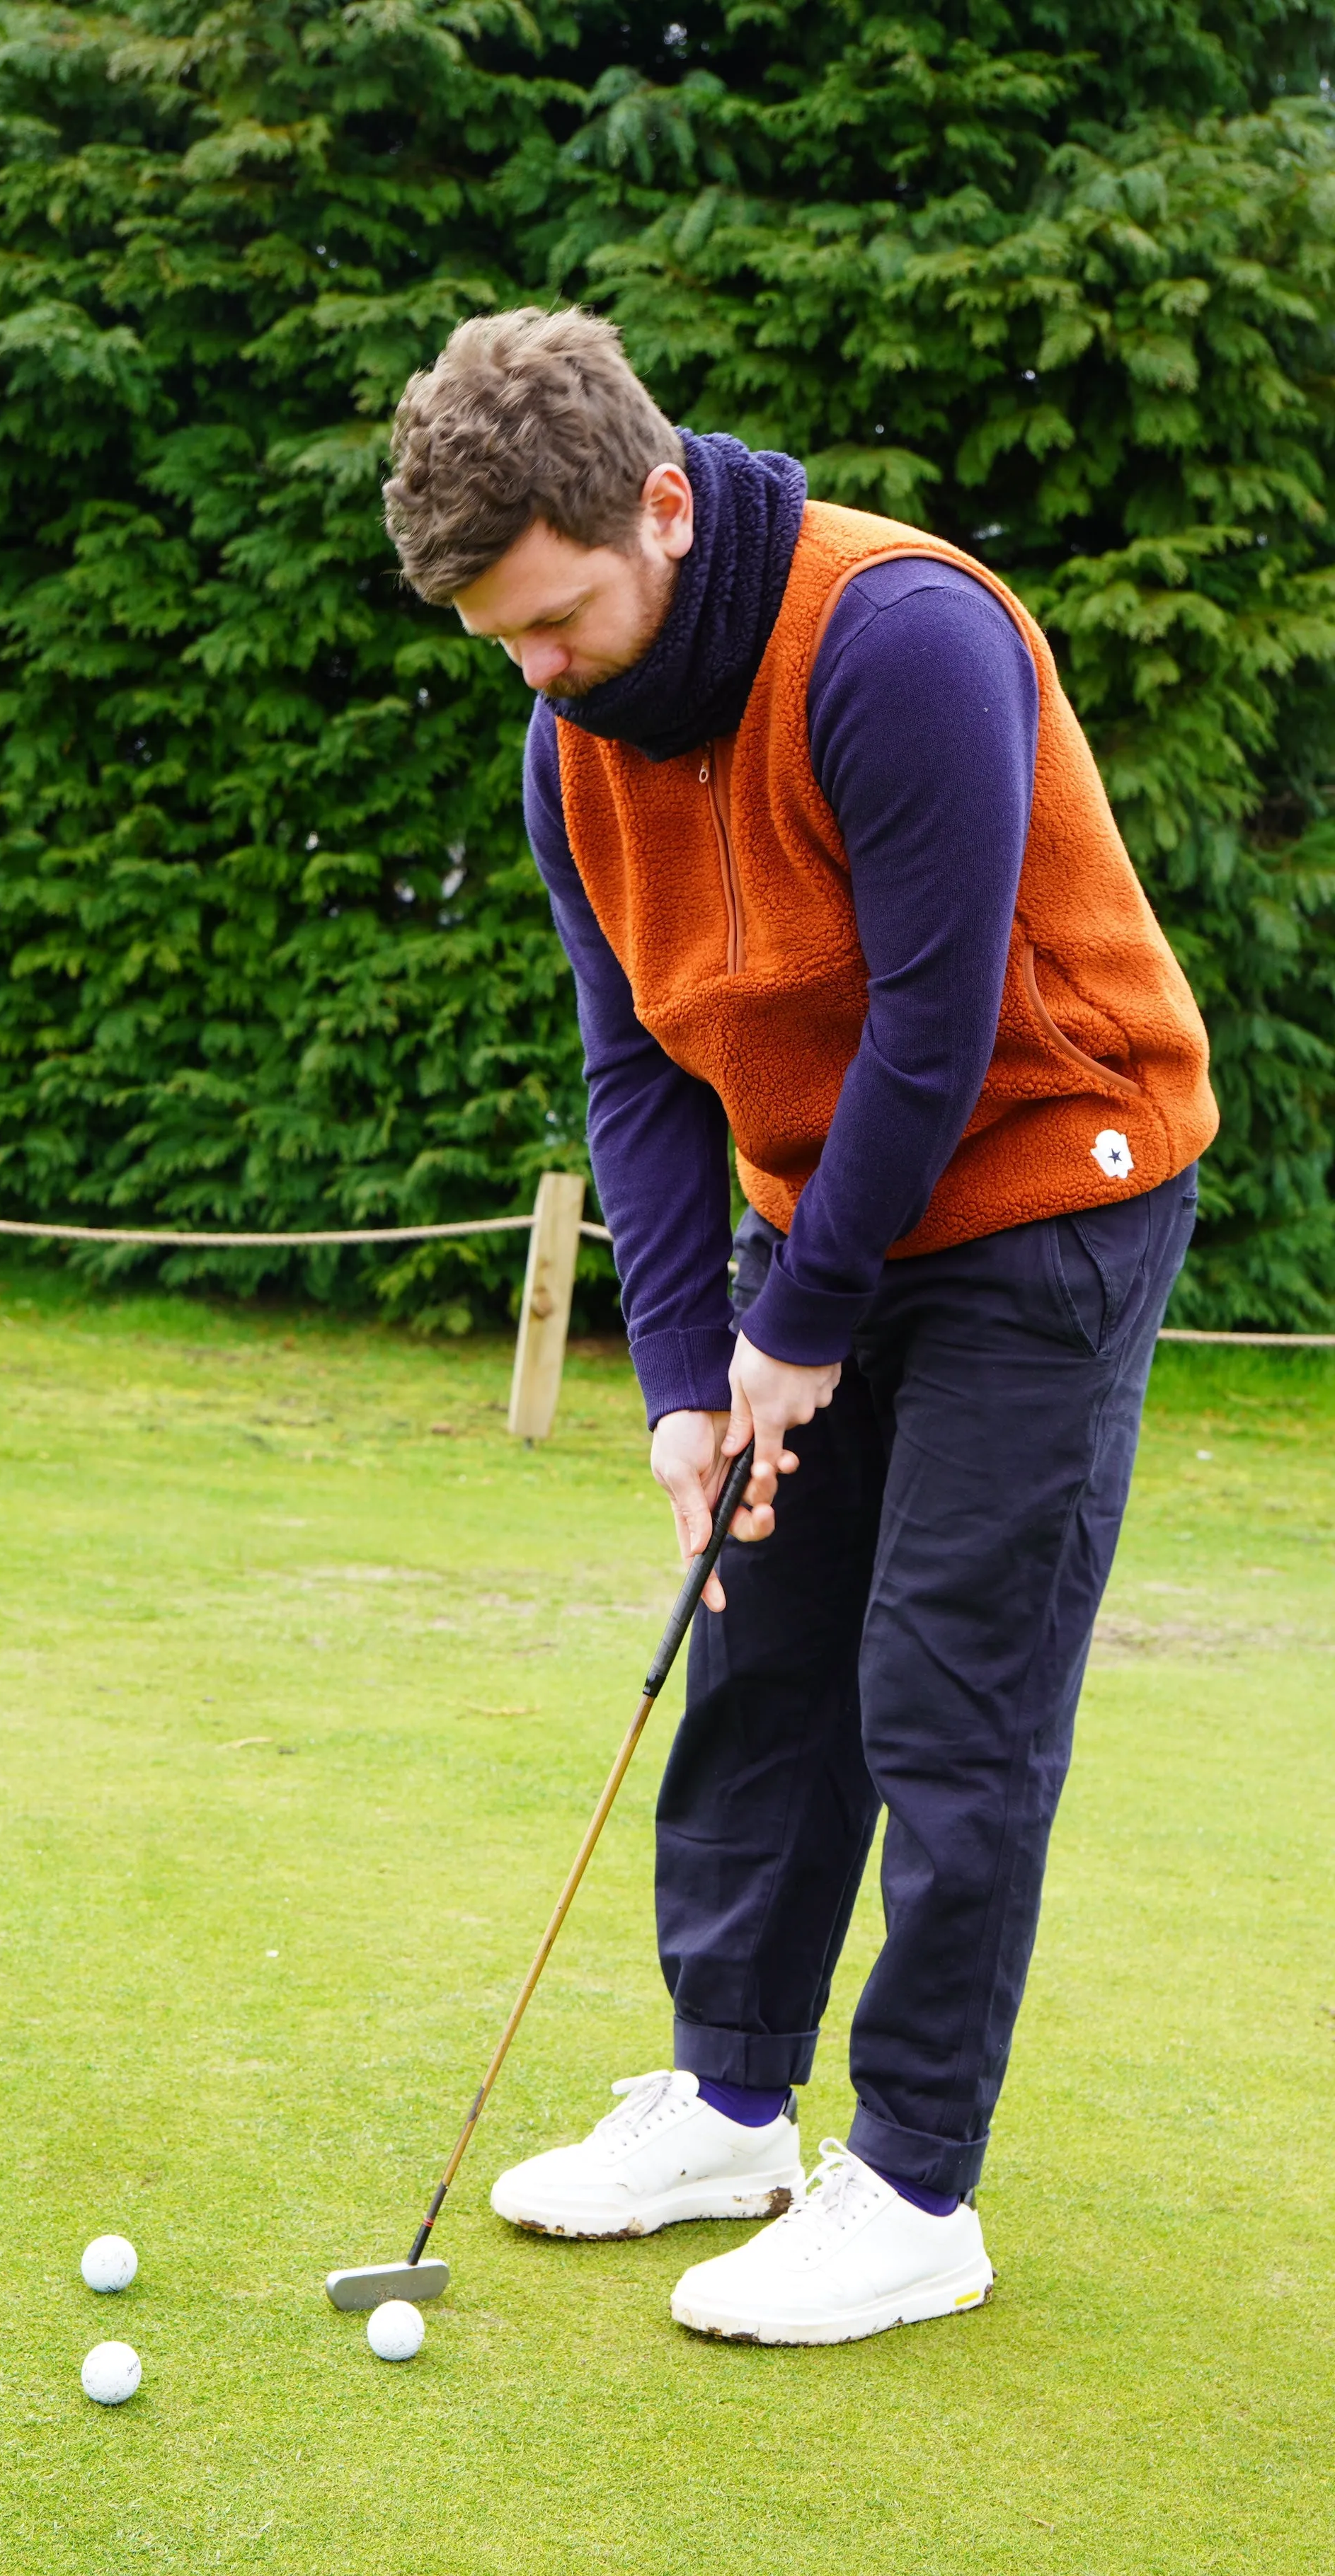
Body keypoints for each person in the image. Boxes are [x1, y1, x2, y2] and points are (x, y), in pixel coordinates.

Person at [383, 307, 1217, 2348]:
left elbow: (936, 1035)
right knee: (760, 1659)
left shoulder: (896, 635)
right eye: (500, 640)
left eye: (557, 620)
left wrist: (806, 1320)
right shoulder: (568, 738)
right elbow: (645, 1072)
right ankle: (733, 2106)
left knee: (947, 1689)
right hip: (827, 1212)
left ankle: (917, 2189)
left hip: (1051, 1182)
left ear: (661, 509)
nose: (538, 669)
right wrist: (690, 1384)